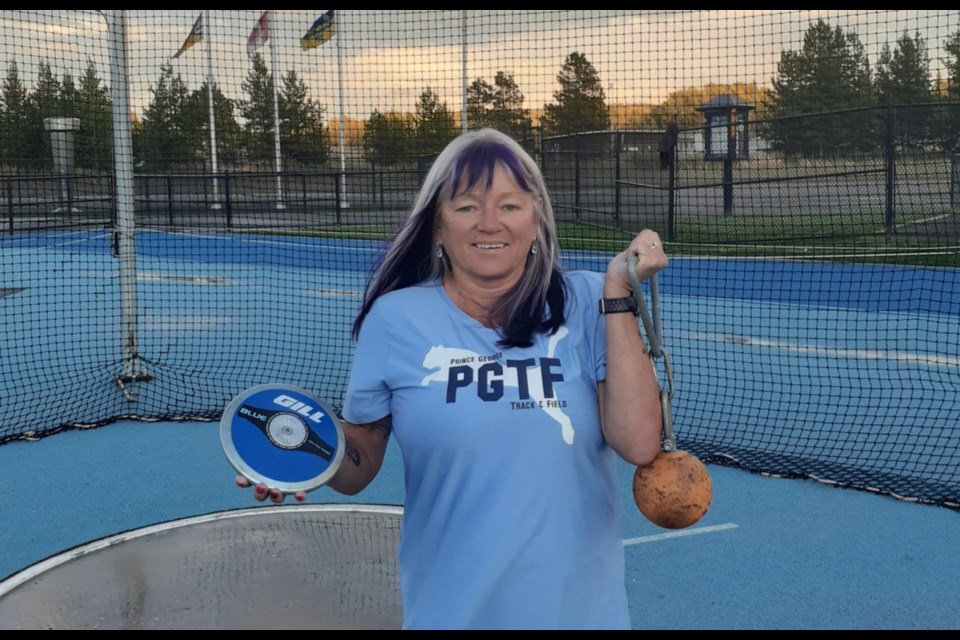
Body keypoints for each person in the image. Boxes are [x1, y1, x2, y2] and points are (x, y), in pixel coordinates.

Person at [239, 128, 667, 629]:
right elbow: (359, 461)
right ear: (437, 227)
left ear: (537, 221)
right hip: (453, 612)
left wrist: (619, 293)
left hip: (578, 614)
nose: (489, 223)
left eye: (510, 206)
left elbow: (639, 444)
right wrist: (307, 457)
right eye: (466, 207)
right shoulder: (395, 319)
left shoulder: (588, 301)